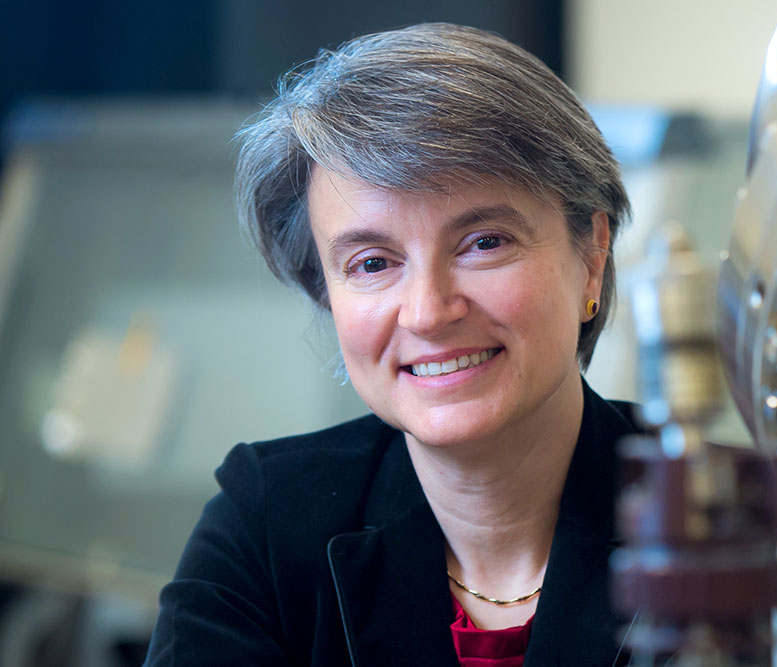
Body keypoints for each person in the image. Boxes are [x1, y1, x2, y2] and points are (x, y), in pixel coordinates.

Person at [144, 22, 638, 666]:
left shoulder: (736, 517)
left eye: (485, 242)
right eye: (373, 263)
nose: (429, 312)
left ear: (592, 257)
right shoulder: (265, 524)